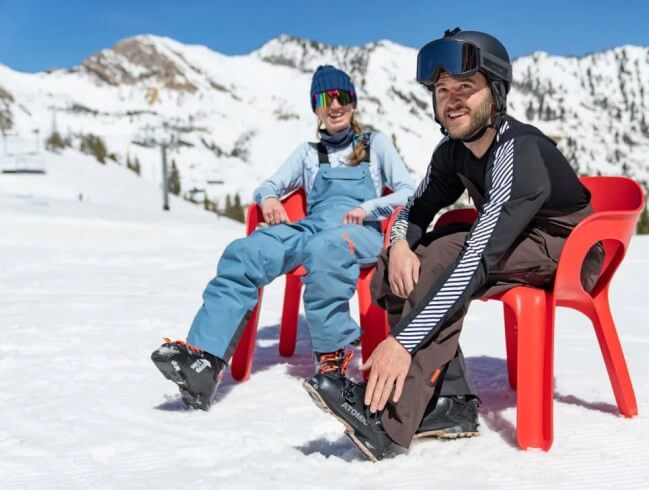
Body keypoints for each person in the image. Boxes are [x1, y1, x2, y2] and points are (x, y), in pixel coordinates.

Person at [303, 29, 605, 461]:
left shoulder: (518, 152)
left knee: (446, 257)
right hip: (514, 238)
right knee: (402, 258)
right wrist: (402, 246)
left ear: (495, 93)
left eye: (466, 88)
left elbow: (476, 261)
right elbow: (412, 210)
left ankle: (389, 423)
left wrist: (404, 340)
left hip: (568, 249)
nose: (452, 99)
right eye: (442, 90)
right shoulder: (453, 150)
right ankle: (450, 403)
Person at [151, 65, 415, 411]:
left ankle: (332, 363)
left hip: (360, 234)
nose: (335, 106)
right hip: (313, 227)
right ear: (315, 107)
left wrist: (369, 208)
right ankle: (205, 360)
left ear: (353, 102)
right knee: (246, 251)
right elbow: (268, 185)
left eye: (342, 98)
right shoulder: (308, 153)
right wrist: (270, 198)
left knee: (328, 248)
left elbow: (407, 192)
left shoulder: (374, 143)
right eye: (325, 99)